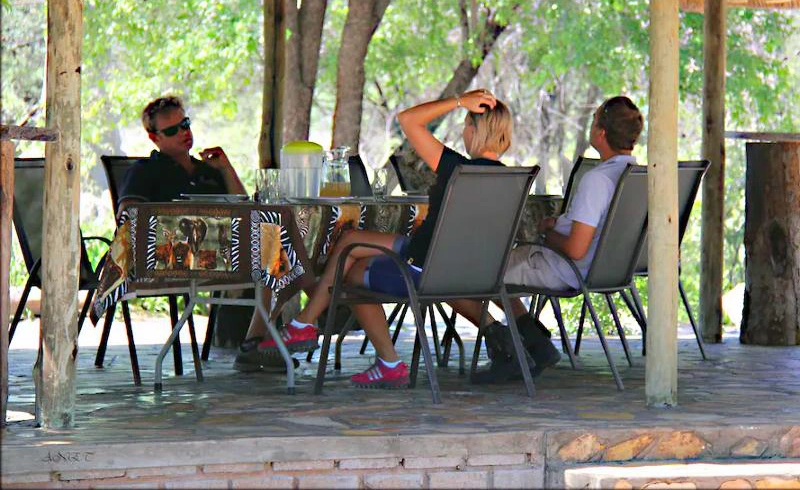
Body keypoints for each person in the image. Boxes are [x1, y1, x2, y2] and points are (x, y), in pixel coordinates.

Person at [260, 89, 551, 388]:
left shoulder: (456, 167)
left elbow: (408, 120)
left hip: (425, 269)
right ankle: (306, 325)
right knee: (350, 241)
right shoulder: (509, 179)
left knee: (348, 268)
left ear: (475, 131)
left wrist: (458, 100)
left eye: (466, 125)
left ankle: (372, 355)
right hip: (462, 269)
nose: (463, 132)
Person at [464, 95, 644, 383]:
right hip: (606, 268)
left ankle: (508, 353)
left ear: (600, 133)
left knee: (472, 272)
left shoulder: (597, 180)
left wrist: (547, 232)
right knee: (493, 270)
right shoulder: (636, 175)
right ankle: (536, 342)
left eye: (594, 120)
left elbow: (575, 248)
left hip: (565, 269)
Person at [119, 97, 283, 373]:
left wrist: (226, 169)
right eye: (172, 130)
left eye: (185, 124)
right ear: (153, 137)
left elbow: (245, 208)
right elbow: (127, 215)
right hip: (170, 256)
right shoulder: (145, 171)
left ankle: (257, 340)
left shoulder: (208, 170)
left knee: (275, 243)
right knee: (269, 248)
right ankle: (260, 341)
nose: (183, 133)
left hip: (217, 251)